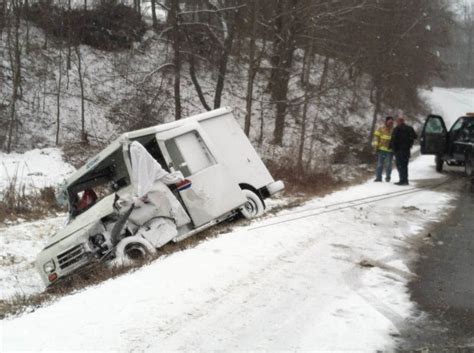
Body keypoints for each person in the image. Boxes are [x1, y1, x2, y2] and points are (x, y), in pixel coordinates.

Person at [390, 116, 417, 185]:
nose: (397, 123)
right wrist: (409, 141)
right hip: (406, 150)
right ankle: (405, 180)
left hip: (399, 150)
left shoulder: (397, 129)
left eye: (398, 121)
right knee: (404, 165)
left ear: (400, 122)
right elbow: (415, 136)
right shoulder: (409, 128)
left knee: (400, 165)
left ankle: (402, 180)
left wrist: (392, 148)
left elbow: (393, 140)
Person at [373, 116, 394, 182]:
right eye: (389, 121)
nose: (390, 123)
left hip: (390, 150)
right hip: (381, 149)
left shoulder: (394, 130)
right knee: (379, 164)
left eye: (391, 122)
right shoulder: (380, 129)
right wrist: (376, 147)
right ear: (386, 121)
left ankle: (388, 177)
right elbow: (376, 138)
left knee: (388, 165)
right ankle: (378, 178)